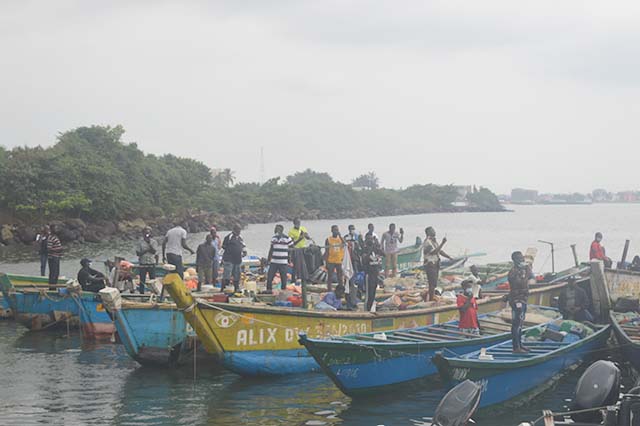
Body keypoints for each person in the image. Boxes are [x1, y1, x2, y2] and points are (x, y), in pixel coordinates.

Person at [508, 251, 534, 354]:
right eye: (519, 258)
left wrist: (527, 270)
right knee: (516, 324)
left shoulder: (525, 269)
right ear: (514, 260)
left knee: (521, 323)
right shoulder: (513, 272)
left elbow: (531, 278)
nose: (522, 260)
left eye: (522, 258)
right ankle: (516, 348)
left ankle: (520, 344)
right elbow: (518, 283)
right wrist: (524, 272)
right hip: (516, 300)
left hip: (523, 299)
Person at [423, 227, 453, 301]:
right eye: (432, 230)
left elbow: (439, 251)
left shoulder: (433, 241)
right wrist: (442, 243)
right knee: (432, 283)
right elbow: (434, 252)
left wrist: (448, 257)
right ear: (428, 232)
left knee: (434, 283)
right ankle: (430, 299)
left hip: (435, 263)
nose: (434, 231)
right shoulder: (427, 242)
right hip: (430, 264)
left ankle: (432, 297)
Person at [266, 224, 293, 292]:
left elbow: (292, 249)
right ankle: (268, 291)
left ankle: (283, 292)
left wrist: (289, 259)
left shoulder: (287, 238)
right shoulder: (273, 238)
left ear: (281, 230)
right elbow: (271, 249)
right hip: (274, 261)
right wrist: (268, 260)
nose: (275, 230)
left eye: (276, 229)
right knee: (269, 278)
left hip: (283, 262)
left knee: (283, 279)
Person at [362, 233, 384, 311]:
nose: (370, 240)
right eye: (368, 239)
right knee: (369, 294)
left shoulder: (375, 248)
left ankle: (370, 308)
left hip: (376, 274)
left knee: (373, 294)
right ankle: (366, 310)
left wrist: (377, 246)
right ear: (366, 240)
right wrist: (370, 249)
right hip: (369, 274)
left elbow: (383, 254)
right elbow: (364, 259)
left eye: (371, 239)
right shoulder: (364, 249)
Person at [222, 224, 246, 293]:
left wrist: (244, 252)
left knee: (237, 275)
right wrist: (222, 260)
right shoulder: (228, 237)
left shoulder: (240, 238)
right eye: (238, 230)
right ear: (234, 230)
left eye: (240, 230)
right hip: (229, 259)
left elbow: (243, 246)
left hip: (238, 260)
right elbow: (223, 248)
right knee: (227, 275)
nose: (239, 231)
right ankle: (224, 288)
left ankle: (236, 288)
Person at [135, 227, 159, 294]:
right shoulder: (140, 242)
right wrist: (146, 250)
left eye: (148, 233)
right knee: (142, 279)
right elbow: (138, 253)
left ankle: (154, 293)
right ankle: (141, 293)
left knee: (153, 279)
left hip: (151, 262)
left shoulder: (154, 242)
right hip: (143, 263)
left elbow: (154, 252)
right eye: (145, 233)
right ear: (143, 234)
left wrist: (149, 244)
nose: (147, 234)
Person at [288, 218, 312, 283]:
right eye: (297, 223)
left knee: (305, 264)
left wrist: (307, 236)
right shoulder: (291, 231)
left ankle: (305, 277)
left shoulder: (303, 228)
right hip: (296, 249)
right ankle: (294, 278)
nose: (298, 224)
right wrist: (300, 238)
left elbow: (308, 238)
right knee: (296, 265)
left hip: (303, 248)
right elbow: (292, 243)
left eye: (299, 222)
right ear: (294, 223)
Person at [324, 225, 345, 291]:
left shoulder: (340, 239)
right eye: (335, 230)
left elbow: (345, 244)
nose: (336, 231)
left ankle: (341, 289)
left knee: (340, 276)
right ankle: (329, 289)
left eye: (337, 230)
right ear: (332, 231)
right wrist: (326, 262)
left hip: (339, 260)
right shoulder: (328, 239)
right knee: (330, 276)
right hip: (331, 260)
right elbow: (326, 251)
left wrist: (340, 236)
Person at [46, 224, 63, 290]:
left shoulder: (55, 237)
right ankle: (52, 288)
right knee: (53, 273)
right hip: (53, 258)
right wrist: (59, 249)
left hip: (56, 257)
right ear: (52, 229)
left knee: (56, 273)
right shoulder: (51, 238)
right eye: (55, 228)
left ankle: (54, 287)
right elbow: (49, 249)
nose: (56, 230)